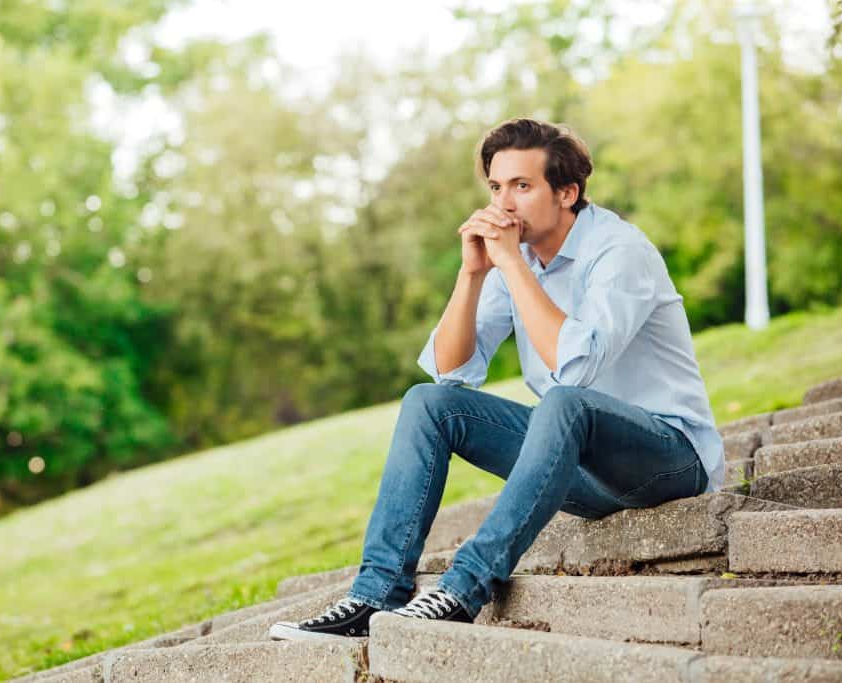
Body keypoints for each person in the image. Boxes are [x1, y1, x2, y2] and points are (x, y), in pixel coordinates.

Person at [268, 118, 724, 642]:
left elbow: (573, 369)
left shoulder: (619, 252)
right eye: (496, 187)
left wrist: (509, 263)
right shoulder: (518, 258)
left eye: (522, 187)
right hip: (585, 471)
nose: (503, 204)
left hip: (670, 458)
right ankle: (374, 597)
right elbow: (450, 370)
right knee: (428, 403)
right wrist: (474, 274)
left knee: (564, 402)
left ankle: (463, 589)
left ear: (567, 193)